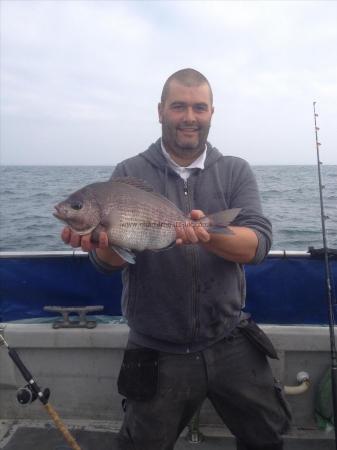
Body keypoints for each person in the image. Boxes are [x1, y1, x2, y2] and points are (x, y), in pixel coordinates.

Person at [61, 68, 291, 450]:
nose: (189, 117)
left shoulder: (234, 171)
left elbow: (257, 245)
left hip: (229, 337)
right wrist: (100, 241)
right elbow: (107, 263)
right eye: (179, 106)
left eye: (199, 108)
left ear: (212, 112)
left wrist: (205, 235)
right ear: (160, 111)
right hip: (156, 346)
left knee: (267, 439)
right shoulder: (128, 173)